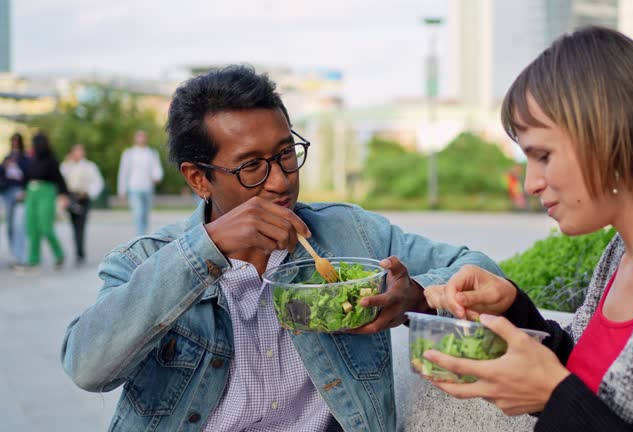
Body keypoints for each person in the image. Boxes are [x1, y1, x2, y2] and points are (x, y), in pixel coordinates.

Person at [60, 65, 504, 432]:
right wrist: (207, 249)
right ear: (199, 179)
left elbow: (483, 270)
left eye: (286, 154)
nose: (280, 180)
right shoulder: (143, 261)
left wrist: (420, 297)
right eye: (251, 166)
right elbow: (87, 366)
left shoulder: (349, 234)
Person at [422, 27, 633, 431]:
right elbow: (589, 379)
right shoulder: (622, 252)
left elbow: (572, 400)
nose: (531, 182)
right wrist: (513, 308)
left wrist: (554, 398)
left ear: (608, 135)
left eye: (543, 155)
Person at [21, 132, 69, 270]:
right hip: (31, 192)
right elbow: (26, 176)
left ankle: (59, 255)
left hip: (47, 191)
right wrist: (24, 190)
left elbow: (59, 178)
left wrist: (63, 194)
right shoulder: (31, 158)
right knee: (31, 227)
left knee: (45, 226)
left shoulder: (51, 159)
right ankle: (33, 259)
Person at [60, 143, 104, 265]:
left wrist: (88, 193)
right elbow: (62, 179)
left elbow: (97, 182)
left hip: (83, 198)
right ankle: (78, 250)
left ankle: (80, 252)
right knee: (74, 226)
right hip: (71, 198)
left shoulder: (89, 166)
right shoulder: (66, 165)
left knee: (81, 225)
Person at [118, 129, 163, 235]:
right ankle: (140, 236)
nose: (141, 139)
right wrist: (121, 190)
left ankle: (143, 234)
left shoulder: (151, 153)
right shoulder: (129, 153)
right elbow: (123, 172)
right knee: (138, 213)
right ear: (135, 138)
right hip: (134, 188)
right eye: (139, 136)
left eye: (143, 136)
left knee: (145, 214)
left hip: (148, 188)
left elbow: (157, 169)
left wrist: (157, 177)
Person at [1, 133, 30, 266]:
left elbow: (29, 174)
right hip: (7, 192)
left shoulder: (25, 158)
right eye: (13, 141)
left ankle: (20, 256)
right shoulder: (7, 157)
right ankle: (13, 255)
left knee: (20, 225)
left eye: (17, 141)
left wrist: (25, 190)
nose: (15, 143)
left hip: (19, 192)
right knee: (10, 225)